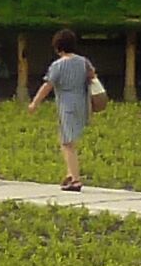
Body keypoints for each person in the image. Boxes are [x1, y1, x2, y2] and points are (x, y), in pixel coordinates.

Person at [24, 26, 102, 189]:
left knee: (68, 143)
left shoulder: (58, 65)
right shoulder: (84, 61)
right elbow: (92, 76)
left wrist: (35, 103)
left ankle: (75, 179)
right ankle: (70, 173)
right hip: (82, 103)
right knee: (67, 139)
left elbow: (48, 85)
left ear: (58, 46)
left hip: (67, 105)